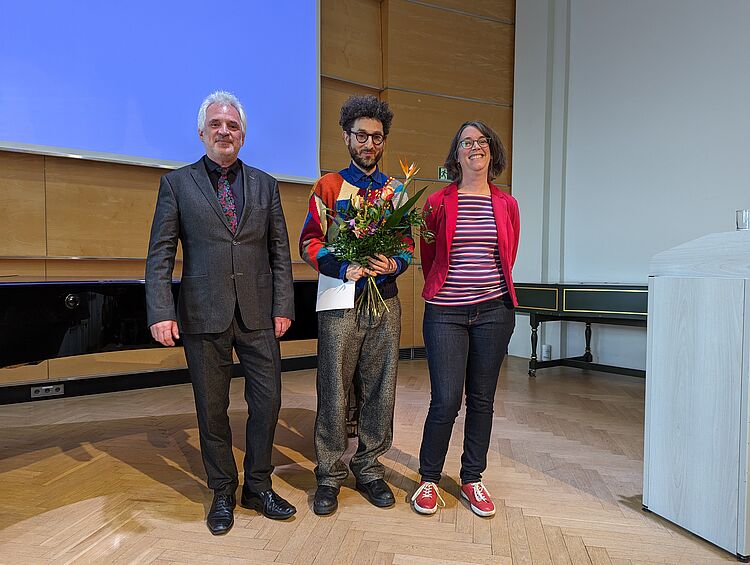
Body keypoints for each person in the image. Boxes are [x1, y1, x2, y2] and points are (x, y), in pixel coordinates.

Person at [145, 91, 296, 535]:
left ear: (243, 135)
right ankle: (222, 491)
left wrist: (283, 305)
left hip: (258, 314)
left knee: (267, 403)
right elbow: (160, 253)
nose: (224, 131)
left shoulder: (266, 185)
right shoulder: (176, 184)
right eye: (216, 124)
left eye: (232, 125)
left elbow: (279, 251)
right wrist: (160, 309)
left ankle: (259, 485)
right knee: (211, 410)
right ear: (202, 132)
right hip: (201, 312)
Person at [299, 95, 413, 515]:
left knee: (381, 386)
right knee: (333, 387)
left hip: (385, 302)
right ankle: (329, 474)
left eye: (376, 137)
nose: (368, 144)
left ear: (384, 142)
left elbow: (407, 246)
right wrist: (342, 266)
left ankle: (369, 467)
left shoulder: (396, 191)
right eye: (361, 135)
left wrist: (393, 263)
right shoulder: (327, 186)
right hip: (338, 302)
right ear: (346, 136)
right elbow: (308, 242)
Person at [411, 120, 519, 517]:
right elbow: (428, 255)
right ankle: (428, 480)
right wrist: (445, 288)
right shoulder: (438, 201)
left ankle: (472, 478)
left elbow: (507, 255)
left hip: (495, 312)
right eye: (466, 142)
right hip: (446, 313)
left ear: (492, 151)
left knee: (482, 400)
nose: (475, 146)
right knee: (446, 399)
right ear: (456, 155)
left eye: (482, 140)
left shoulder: (507, 204)